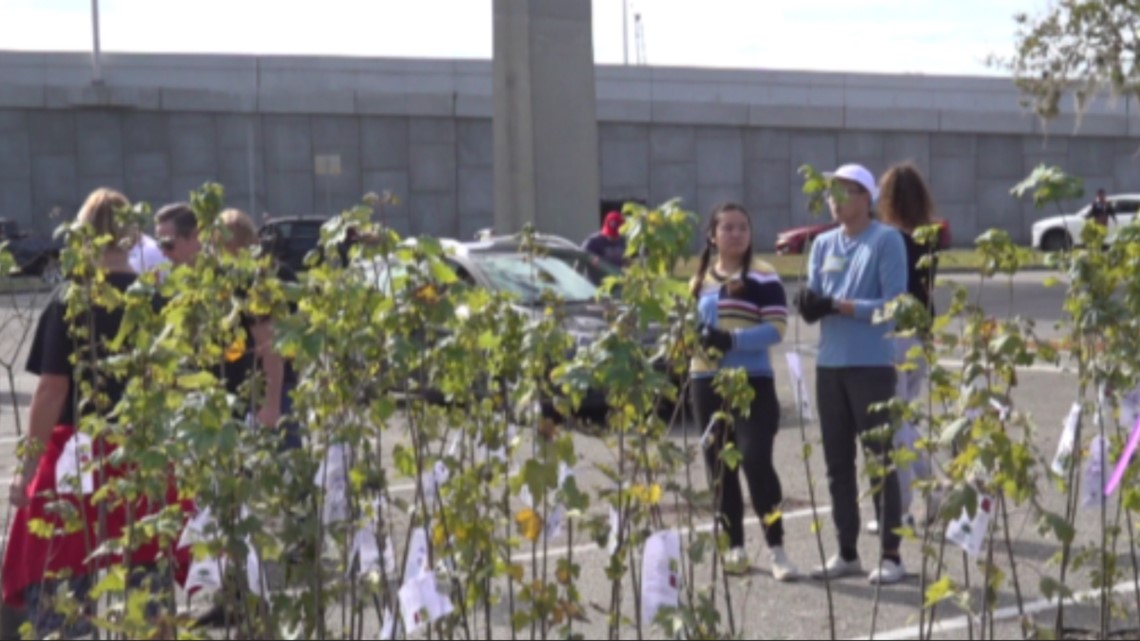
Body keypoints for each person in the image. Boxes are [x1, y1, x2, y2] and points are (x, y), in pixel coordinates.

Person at [3, 189, 189, 637]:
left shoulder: (70, 299)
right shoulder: (154, 302)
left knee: (62, 583)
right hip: (142, 457)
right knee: (149, 587)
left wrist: (26, 470)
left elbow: (51, 390)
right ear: (130, 236)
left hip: (78, 459)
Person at [794, 163, 909, 585]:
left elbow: (895, 305)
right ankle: (847, 551)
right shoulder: (822, 244)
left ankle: (892, 555)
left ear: (866, 197)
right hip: (830, 365)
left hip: (872, 366)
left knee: (879, 459)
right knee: (837, 462)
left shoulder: (886, 240)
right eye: (830, 194)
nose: (834, 201)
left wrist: (841, 306)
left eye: (844, 192)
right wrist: (807, 304)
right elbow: (815, 295)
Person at [689, 202, 801, 582]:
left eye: (743, 228)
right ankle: (733, 544)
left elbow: (776, 328)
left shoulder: (764, 275)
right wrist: (696, 341)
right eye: (728, 228)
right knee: (719, 465)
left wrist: (730, 340)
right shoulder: (701, 278)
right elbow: (692, 328)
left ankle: (777, 548)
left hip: (753, 380)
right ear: (713, 235)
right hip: (706, 382)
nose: (736, 234)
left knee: (755, 459)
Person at [866, 163, 938, 535]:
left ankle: (903, 506)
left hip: (894, 334)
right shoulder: (926, 237)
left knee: (895, 422)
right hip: (919, 333)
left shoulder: (887, 238)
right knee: (903, 417)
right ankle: (931, 484)